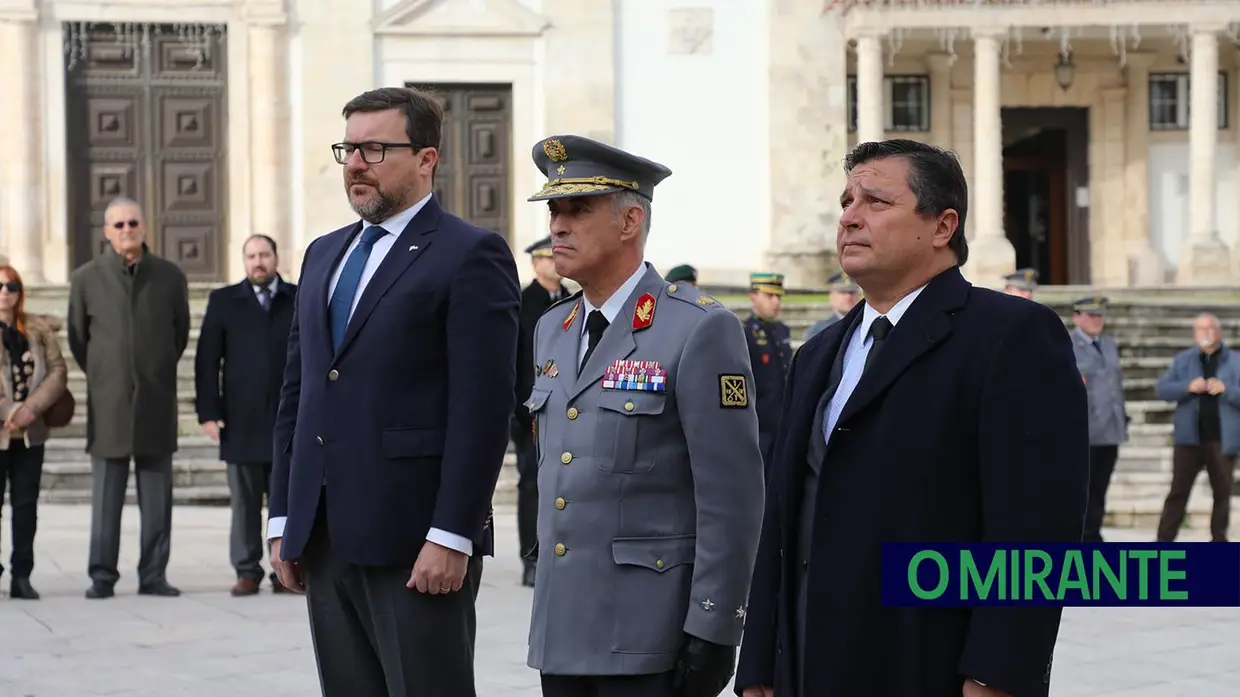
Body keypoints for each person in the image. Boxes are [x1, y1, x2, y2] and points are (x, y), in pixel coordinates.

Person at [735, 139, 1089, 697]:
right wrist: (758, 664)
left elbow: (1035, 529)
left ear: (942, 225)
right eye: (846, 202)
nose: (850, 217)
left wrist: (996, 675)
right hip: (807, 665)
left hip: (924, 662)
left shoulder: (1009, 337)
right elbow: (783, 518)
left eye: (875, 202)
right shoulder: (819, 351)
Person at [268, 86, 521, 697]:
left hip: (416, 544)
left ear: (427, 158)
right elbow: (299, 393)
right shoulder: (324, 254)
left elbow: (483, 409)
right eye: (349, 148)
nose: (355, 163)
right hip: (326, 537)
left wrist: (453, 533)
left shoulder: (469, 255)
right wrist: (284, 514)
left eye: (375, 148)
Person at [521, 134, 765, 697]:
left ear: (630, 220)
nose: (558, 225)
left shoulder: (697, 328)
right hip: (562, 632)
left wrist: (715, 624)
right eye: (554, 210)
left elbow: (731, 495)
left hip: (650, 635)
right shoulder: (552, 329)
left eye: (577, 210)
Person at [68, 197, 191, 600]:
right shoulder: (86, 279)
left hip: (156, 403)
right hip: (110, 405)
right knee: (106, 498)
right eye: (118, 225)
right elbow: (78, 340)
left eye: (132, 223)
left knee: (157, 499)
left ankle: (154, 574)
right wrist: (109, 375)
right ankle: (102, 575)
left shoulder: (170, 277)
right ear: (107, 232)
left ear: (144, 227)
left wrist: (151, 371)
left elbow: (178, 336)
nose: (126, 230)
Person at [194, 234, 297, 595]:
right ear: (244, 261)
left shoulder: (297, 298)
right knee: (245, 503)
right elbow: (207, 360)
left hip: (290, 420)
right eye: (252, 256)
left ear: (275, 257)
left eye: (264, 255)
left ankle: (285, 569)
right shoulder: (224, 301)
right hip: (240, 419)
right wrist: (208, 412)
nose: (258, 262)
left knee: (287, 499)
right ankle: (247, 570)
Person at [0, 265, 68, 600]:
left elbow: (57, 371)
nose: (4, 292)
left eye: (11, 286)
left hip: (30, 434)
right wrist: (9, 411)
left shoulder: (38, 330)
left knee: (26, 507)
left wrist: (31, 409)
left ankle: (22, 575)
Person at [513, 235, 569, 587]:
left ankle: (557, 553)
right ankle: (531, 557)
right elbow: (515, 360)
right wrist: (521, 409)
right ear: (535, 263)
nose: (553, 263)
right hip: (529, 410)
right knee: (532, 483)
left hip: (566, 408)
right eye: (547, 258)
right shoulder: (523, 302)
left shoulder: (572, 301)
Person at [1154, 313, 1239, 542]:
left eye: (1210, 328)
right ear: (1195, 334)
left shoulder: (1235, 361)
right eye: (1201, 329)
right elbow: (1162, 390)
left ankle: (1218, 542)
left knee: (1222, 495)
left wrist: (1226, 389)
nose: (1206, 333)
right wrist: (1187, 386)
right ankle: (1163, 542)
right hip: (1188, 439)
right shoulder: (1183, 360)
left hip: (1222, 439)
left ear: (1219, 332)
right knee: (1178, 492)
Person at [1069, 296, 1128, 543]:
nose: (1096, 320)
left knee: (1100, 490)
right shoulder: (1068, 344)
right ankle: (1081, 537)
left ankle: (1093, 534)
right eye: (1090, 315)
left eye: (1099, 316)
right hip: (1085, 433)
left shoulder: (1108, 344)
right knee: (1080, 492)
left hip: (1110, 429)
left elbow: (1114, 386)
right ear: (1077, 317)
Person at [745, 273, 792, 475]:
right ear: (753, 296)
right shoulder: (745, 333)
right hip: (758, 424)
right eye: (769, 295)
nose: (776, 302)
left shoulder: (782, 330)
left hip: (781, 421)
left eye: (778, 296)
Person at [803, 271, 860, 341]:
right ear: (831, 296)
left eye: (852, 292)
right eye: (843, 292)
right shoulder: (819, 331)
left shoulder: (868, 326)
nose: (848, 297)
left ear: (858, 295)